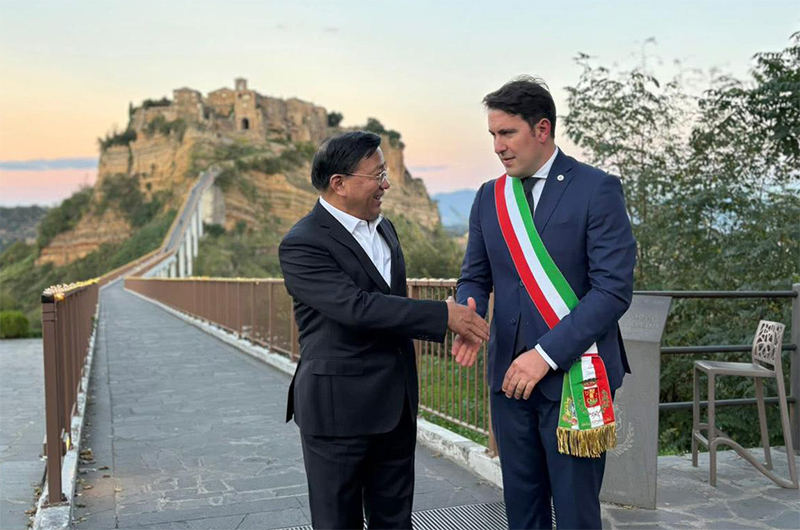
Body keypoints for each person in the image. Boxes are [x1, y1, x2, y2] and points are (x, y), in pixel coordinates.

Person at [279, 131, 490, 530]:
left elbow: (392, 307)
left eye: (385, 173)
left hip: (395, 408)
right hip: (338, 412)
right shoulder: (302, 243)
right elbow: (356, 307)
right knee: (337, 523)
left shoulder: (385, 230)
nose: (387, 185)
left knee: (395, 521)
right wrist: (442, 316)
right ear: (339, 183)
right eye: (377, 175)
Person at [453, 76, 637, 529]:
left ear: (542, 129)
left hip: (576, 375)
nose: (498, 146)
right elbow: (475, 275)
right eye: (493, 135)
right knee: (522, 510)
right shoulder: (489, 196)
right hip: (509, 378)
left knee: (575, 514)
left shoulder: (596, 188)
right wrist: (467, 313)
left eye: (507, 133)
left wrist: (545, 355)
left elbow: (612, 290)